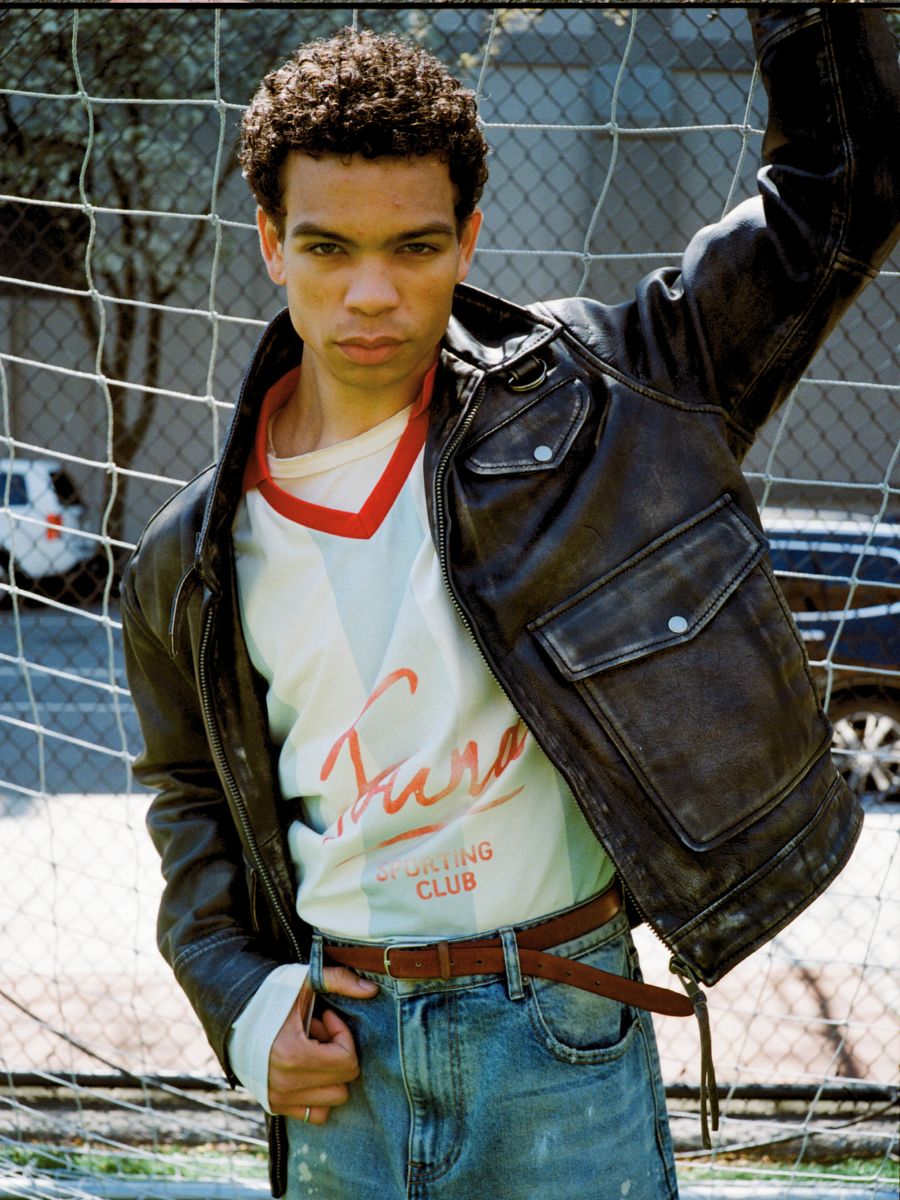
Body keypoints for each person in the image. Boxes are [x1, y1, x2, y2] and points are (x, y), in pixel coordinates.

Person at [122, 10, 900, 1199]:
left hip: (563, 1031)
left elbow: (843, 182)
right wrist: (241, 1003)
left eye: (417, 248)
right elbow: (186, 796)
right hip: (344, 1051)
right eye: (329, 249)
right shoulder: (191, 556)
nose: (371, 294)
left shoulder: (613, 399)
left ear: (472, 237)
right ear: (271, 244)